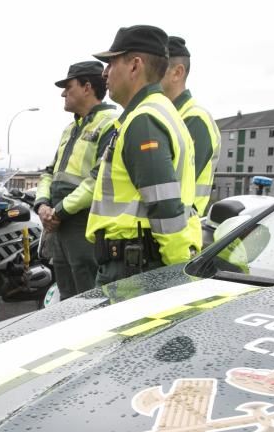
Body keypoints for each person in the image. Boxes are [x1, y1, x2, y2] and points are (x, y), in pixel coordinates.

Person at [86, 25, 199, 286]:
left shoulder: (144, 120)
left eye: (111, 63)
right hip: (139, 264)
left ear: (135, 65)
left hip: (133, 271)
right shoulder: (161, 112)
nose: (104, 73)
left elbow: (164, 206)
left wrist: (178, 274)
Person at [34, 62, 118, 300]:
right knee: (66, 292)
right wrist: (42, 205)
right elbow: (49, 172)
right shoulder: (70, 128)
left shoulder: (110, 123)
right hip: (59, 224)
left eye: (68, 86)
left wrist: (58, 212)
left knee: (88, 294)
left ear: (87, 87)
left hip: (84, 224)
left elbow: (99, 179)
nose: (63, 93)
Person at [161, 36, 221, 220]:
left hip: (181, 227)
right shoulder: (165, 114)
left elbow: (171, 185)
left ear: (177, 73)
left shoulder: (195, 118)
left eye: (156, 69)